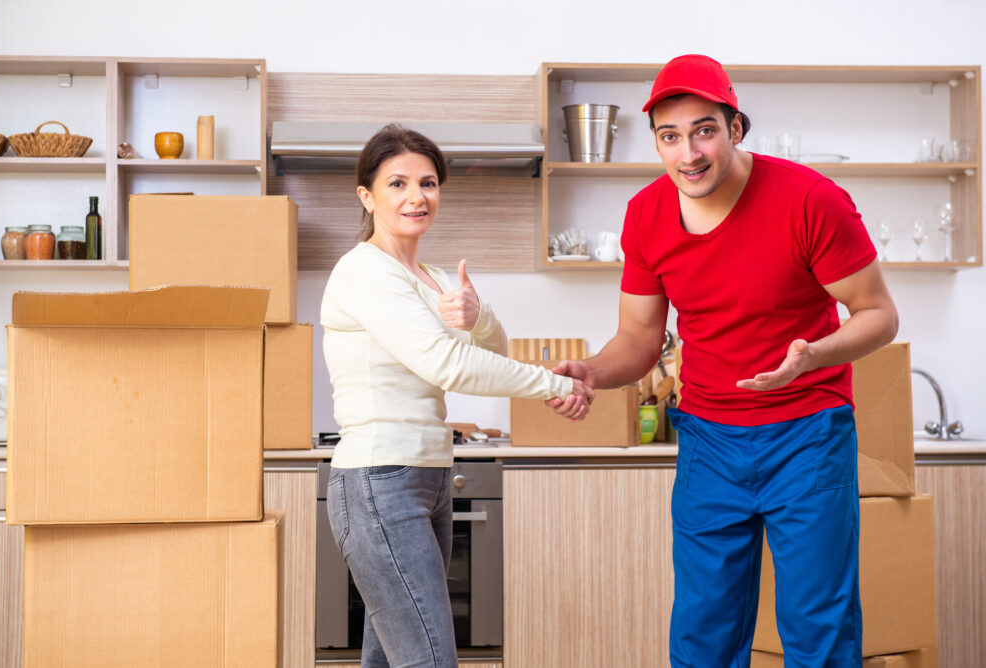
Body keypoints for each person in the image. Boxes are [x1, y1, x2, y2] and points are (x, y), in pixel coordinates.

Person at [548, 55, 899, 667]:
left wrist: (812, 356)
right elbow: (638, 335)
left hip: (808, 433)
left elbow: (878, 315)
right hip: (709, 440)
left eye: (704, 129)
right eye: (670, 136)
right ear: (656, 142)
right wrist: (595, 371)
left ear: (735, 129)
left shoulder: (810, 199)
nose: (689, 152)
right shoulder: (646, 214)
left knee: (818, 630)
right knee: (703, 634)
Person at [320, 123, 593, 668]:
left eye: (428, 183)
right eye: (397, 184)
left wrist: (478, 314)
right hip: (380, 478)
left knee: (394, 657)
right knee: (430, 659)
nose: (416, 197)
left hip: (428, 475)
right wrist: (554, 384)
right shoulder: (364, 271)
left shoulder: (432, 277)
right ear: (366, 196)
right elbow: (448, 362)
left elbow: (491, 345)